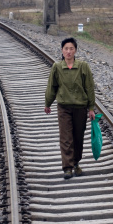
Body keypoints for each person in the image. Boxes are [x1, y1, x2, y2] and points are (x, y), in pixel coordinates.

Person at [44, 38, 96, 180]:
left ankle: (76, 163)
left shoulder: (83, 66)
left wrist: (91, 108)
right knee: (66, 138)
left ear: (75, 51)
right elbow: (52, 87)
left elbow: (89, 88)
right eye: (66, 48)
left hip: (80, 107)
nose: (68, 51)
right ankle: (67, 167)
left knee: (78, 137)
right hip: (64, 107)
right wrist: (48, 103)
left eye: (71, 48)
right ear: (62, 50)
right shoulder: (57, 67)